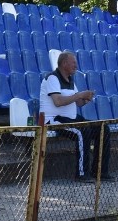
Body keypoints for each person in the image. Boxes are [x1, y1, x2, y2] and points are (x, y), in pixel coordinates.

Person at [39, 51, 112, 182]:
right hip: (54, 119)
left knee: (103, 129)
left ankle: (100, 171)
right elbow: (58, 101)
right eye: (74, 63)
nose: (76, 66)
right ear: (64, 63)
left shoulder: (71, 80)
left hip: (71, 118)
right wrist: (79, 95)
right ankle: (82, 174)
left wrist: (86, 98)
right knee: (82, 132)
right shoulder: (52, 78)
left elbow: (79, 103)